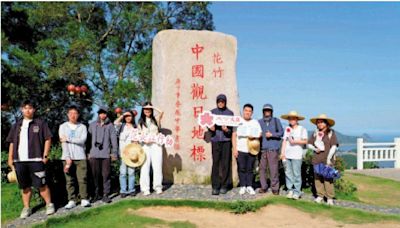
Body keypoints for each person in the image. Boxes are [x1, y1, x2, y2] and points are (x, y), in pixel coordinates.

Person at [6, 100, 55, 218]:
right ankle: (26, 208)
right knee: (24, 187)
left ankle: (49, 204)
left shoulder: (40, 123)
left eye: (30, 108)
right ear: (22, 110)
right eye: (25, 108)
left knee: (41, 184)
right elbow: (12, 142)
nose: (27, 110)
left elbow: (48, 139)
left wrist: (45, 156)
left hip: (36, 160)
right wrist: (10, 158)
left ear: (34, 110)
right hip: (19, 161)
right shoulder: (16, 125)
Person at [59, 105, 90, 209]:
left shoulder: (82, 127)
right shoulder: (63, 126)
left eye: (75, 113)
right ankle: (71, 200)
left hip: (80, 156)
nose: (73, 115)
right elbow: (63, 143)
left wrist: (69, 138)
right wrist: (67, 158)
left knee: (82, 179)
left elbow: (82, 140)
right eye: (71, 113)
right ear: (68, 114)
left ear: (78, 115)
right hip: (67, 157)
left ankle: (84, 199)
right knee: (69, 180)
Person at [88, 106, 118, 203]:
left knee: (106, 175)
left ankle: (106, 194)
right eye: (101, 113)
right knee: (94, 176)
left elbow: (114, 141)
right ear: (98, 114)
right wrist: (87, 152)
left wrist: (114, 153)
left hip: (106, 155)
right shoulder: (92, 125)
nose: (103, 115)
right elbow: (88, 140)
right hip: (93, 155)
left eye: (104, 113)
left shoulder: (110, 126)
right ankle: (96, 194)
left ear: (107, 114)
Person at [308, 114, 339, 206]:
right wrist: (314, 149)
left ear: (326, 123)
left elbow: (334, 146)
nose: (320, 124)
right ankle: (320, 196)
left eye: (322, 122)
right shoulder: (315, 133)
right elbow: (309, 144)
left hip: (327, 160)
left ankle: (329, 198)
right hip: (317, 159)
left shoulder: (331, 133)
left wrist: (329, 158)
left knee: (328, 179)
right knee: (318, 179)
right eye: (318, 122)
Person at [232, 104, 262, 195]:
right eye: (246, 110)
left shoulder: (255, 122)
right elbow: (234, 135)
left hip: (252, 149)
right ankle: (242, 186)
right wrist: (235, 149)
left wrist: (255, 136)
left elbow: (260, 133)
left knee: (250, 169)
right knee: (241, 168)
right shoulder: (238, 121)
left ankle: (249, 186)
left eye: (249, 111)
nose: (247, 112)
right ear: (243, 111)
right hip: (240, 149)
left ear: (252, 113)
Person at [208, 94, 234, 195]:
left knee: (225, 163)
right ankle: (215, 186)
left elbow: (231, 131)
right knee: (215, 163)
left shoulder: (230, 113)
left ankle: (225, 185)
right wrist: (210, 128)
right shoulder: (212, 112)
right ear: (217, 102)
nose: (221, 103)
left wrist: (226, 130)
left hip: (226, 141)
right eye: (219, 101)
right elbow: (208, 124)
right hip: (215, 140)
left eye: (222, 101)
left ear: (225, 102)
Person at [280, 111, 308, 200]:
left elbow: (305, 141)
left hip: (297, 155)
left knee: (296, 174)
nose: (291, 120)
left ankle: (297, 191)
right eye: (290, 118)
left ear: (297, 119)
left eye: (293, 118)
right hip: (287, 154)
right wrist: (282, 153)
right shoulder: (287, 129)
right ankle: (290, 190)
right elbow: (284, 141)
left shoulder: (302, 129)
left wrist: (294, 141)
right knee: (288, 173)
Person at [138, 102, 164, 196]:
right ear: (143, 110)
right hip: (145, 146)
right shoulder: (140, 121)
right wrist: (144, 141)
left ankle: (158, 187)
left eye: (149, 109)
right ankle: (145, 188)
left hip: (156, 145)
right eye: (145, 109)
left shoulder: (155, 119)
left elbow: (162, 112)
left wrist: (152, 106)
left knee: (157, 166)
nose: (147, 110)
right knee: (145, 167)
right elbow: (139, 135)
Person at [258, 104, 284, 195]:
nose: (267, 112)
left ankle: (275, 188)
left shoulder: (277, 121)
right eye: (265, 110)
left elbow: (281, 133)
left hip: (273, 149)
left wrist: (272, 134)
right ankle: (263, 186)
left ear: (271, 112)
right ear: (263, 111)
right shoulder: (259, 122)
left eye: (269, 110)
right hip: (262, 149)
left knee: (274, 169)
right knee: (262, 169)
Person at [114, 110, 137, 198]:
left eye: (130, 116)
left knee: (131, 172)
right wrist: (123, 114)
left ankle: (131, 190)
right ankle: (123, 190)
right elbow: (115, 122)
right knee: (123, 173)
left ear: (133, 117)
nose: (128, 117)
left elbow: (137, 138)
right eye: (126, 116)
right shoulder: (121, 126)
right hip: (122, 153)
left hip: (132, 153)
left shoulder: (135, 127)